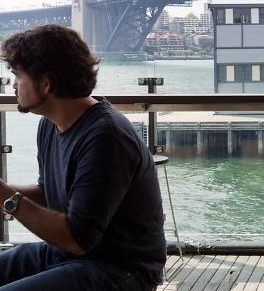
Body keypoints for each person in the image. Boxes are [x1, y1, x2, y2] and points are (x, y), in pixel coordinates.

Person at [0, 25, 166, 290]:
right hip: (64, 255)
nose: (13, 84)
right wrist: (3, 191)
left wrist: (7, 199)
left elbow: (78, 238)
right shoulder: (51, 124)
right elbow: (51, 195)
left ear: (45, 83)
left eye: (18, 75)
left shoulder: (106, 136)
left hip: (120, 269)